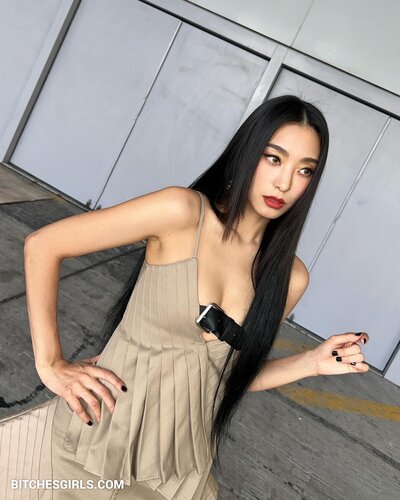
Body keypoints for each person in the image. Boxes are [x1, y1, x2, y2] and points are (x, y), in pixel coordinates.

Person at [0, 94, 369, 499]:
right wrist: (51, 363)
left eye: (304, 170)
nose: (285, 183)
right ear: (248, 152)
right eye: (273, 158)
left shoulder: (289, 278)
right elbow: (43, 246)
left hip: (179, 472)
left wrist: (311, 362)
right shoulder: (182, 212)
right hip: (94, 441)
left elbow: (224, 378)